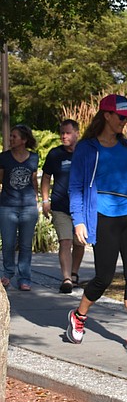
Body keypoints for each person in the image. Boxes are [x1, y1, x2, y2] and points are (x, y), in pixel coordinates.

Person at [65, 94, 127, 352]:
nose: (125, 121)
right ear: (106, 115)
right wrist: (79, 221)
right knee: (103, 277)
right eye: (121, 116)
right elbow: (75, 187)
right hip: (103, 217)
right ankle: (79, 316)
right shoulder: (87, 148)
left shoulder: (126, 146)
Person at [41, 119, 86, 294]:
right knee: (65, 241)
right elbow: (46, 178)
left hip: (81, 206)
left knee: (79, 242)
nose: (64, 136)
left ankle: (74, 273)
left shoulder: (84, 153)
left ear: (76, 133)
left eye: (67, 133)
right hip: (60, 205)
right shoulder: (55, 154)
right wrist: (45, 200)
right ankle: (66, 278)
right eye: (62, 133)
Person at [0, 124, 40, 291]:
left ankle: (25, 278)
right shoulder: (3, 157)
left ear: (24, 140)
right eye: (11, 136)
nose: (10, 139)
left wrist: (37, 200)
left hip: (28, 207)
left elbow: (33, 181)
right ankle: (8, 273)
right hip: (7, 206)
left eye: (14, 136)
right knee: (8, 243)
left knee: (25, 244)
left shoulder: (33, 158)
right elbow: (1, 180)